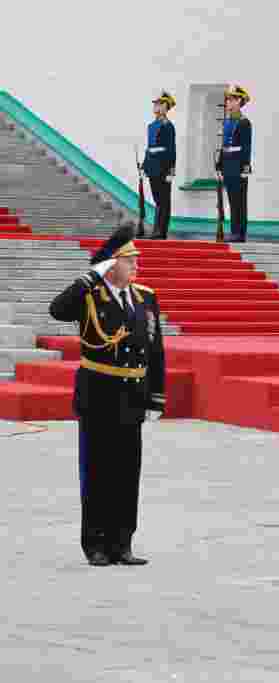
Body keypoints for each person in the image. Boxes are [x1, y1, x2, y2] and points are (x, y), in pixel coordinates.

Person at [48, 223, 166, 566]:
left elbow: (156, 350)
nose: (136, 266)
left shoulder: (145, 297)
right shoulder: (90, 295)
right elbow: (57, 310)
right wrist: (90, 276)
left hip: (132, 396)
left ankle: (122, 542)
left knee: (127, 473)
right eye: (129, 260)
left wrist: (156, 396)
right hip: (99, 394)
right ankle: (96, 543)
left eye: (135, 260)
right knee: (97, 472)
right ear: (111, 265)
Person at [216, 85, 252, 243]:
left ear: (239, 101)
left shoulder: (244, 122)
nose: (228, 102)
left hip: (238, 165)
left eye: (231, 100)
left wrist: (245, 167)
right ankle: (234, 231)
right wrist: (219, 165)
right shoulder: (227, 122)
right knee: (232, 200)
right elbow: (223, 145)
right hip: (228, 165)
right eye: (228, 100)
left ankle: (240, 233)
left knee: (240, 201)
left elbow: (246, 147)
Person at [142, 91, 176, 240]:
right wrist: (144, 166)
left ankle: (161, 231)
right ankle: (157, 229)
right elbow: (149, 147)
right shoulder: (151, 126)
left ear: (166, 107)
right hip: (152, 166)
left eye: (160, 104)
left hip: (163, 166)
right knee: (157, 200)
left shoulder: (168, 126)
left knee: (163, 200)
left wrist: (171, 171)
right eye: (155, 104)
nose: (156, 106)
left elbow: (171, 149)